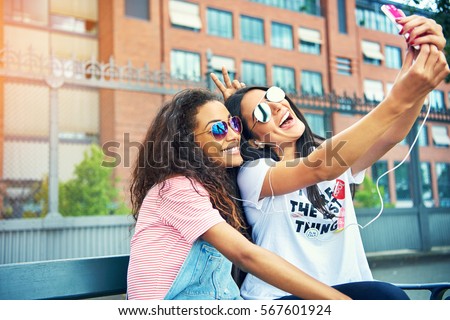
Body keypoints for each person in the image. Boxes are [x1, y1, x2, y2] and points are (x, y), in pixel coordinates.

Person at [211, 15, 449, 300]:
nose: (275, 108)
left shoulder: (329, 153)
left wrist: (417, 66)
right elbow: (320, 168)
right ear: (254, 139)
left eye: (273, 97)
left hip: (348, 288)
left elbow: (390, 133)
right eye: (261, 113)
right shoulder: (255, 172)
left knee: (389, 297)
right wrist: (401, 95)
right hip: (280, 299)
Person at [126, 88, 352, 300]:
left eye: (234, 123)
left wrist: (243, 107)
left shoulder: (214, 189)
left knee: (380, 293)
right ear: (187, 145)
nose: (234, 135)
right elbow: (246, 255)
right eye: (218, 129)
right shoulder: (176, 190)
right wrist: (342, 302)